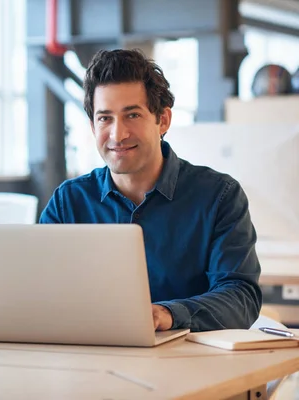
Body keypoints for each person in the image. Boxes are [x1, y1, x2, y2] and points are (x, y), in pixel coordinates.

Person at [39, 49, 262, 332]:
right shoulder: (68, 202)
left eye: (132, 115)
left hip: (191, 365)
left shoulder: (219, 196)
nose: (118, 135)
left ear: (163, 121)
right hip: (91, 361)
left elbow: (241, 297)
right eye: (105, 118)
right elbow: (40, 291)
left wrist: (168, 314)